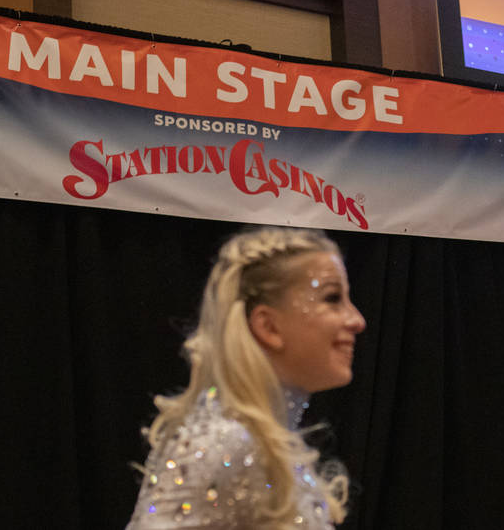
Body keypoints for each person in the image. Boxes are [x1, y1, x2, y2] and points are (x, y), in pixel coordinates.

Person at [126, 226, 366, 529]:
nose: (357, 320)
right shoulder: (226, 441)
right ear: (268, 326)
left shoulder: (260, 441)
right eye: (332, 299)